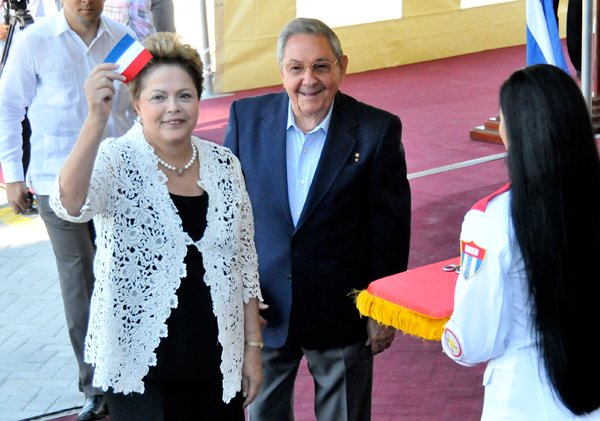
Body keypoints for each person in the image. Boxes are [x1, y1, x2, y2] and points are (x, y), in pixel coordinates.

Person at [50, 32, 263, 420]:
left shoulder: (224, 164)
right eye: (158, 97)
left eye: (184, 95)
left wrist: (252, 348)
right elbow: (69, 204)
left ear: (199, 100)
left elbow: (244, 264)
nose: (173, 108)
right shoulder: (116, 159)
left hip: (217, 363)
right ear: (136, 103)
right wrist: (96, 120)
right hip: (141, 370)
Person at [224, 17, 411, 421]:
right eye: (296, 68)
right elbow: (226, 218)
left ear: (341, 67)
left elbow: (390, 230)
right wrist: (234, 296)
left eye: (321, 66)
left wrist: (382, 308)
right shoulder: (245, 119)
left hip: (341, 313)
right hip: (264, 311)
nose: (308, 79)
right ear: (282, 71)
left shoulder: (377, 131)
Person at [0, 1, 135, 419]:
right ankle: (95, 387)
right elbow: (7, 106)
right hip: (57, 184)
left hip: (119, 180)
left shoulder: (124, 40)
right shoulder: (33, 40)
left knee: (128, 277)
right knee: (81, 283)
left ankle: (134, 375)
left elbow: (144, 104)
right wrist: (13, 174)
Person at [442, 64, 600, 419]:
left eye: (501, 118)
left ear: (518, 131)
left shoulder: (492, 220)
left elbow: (473, 340)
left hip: (524, 401)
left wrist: (448, 334)